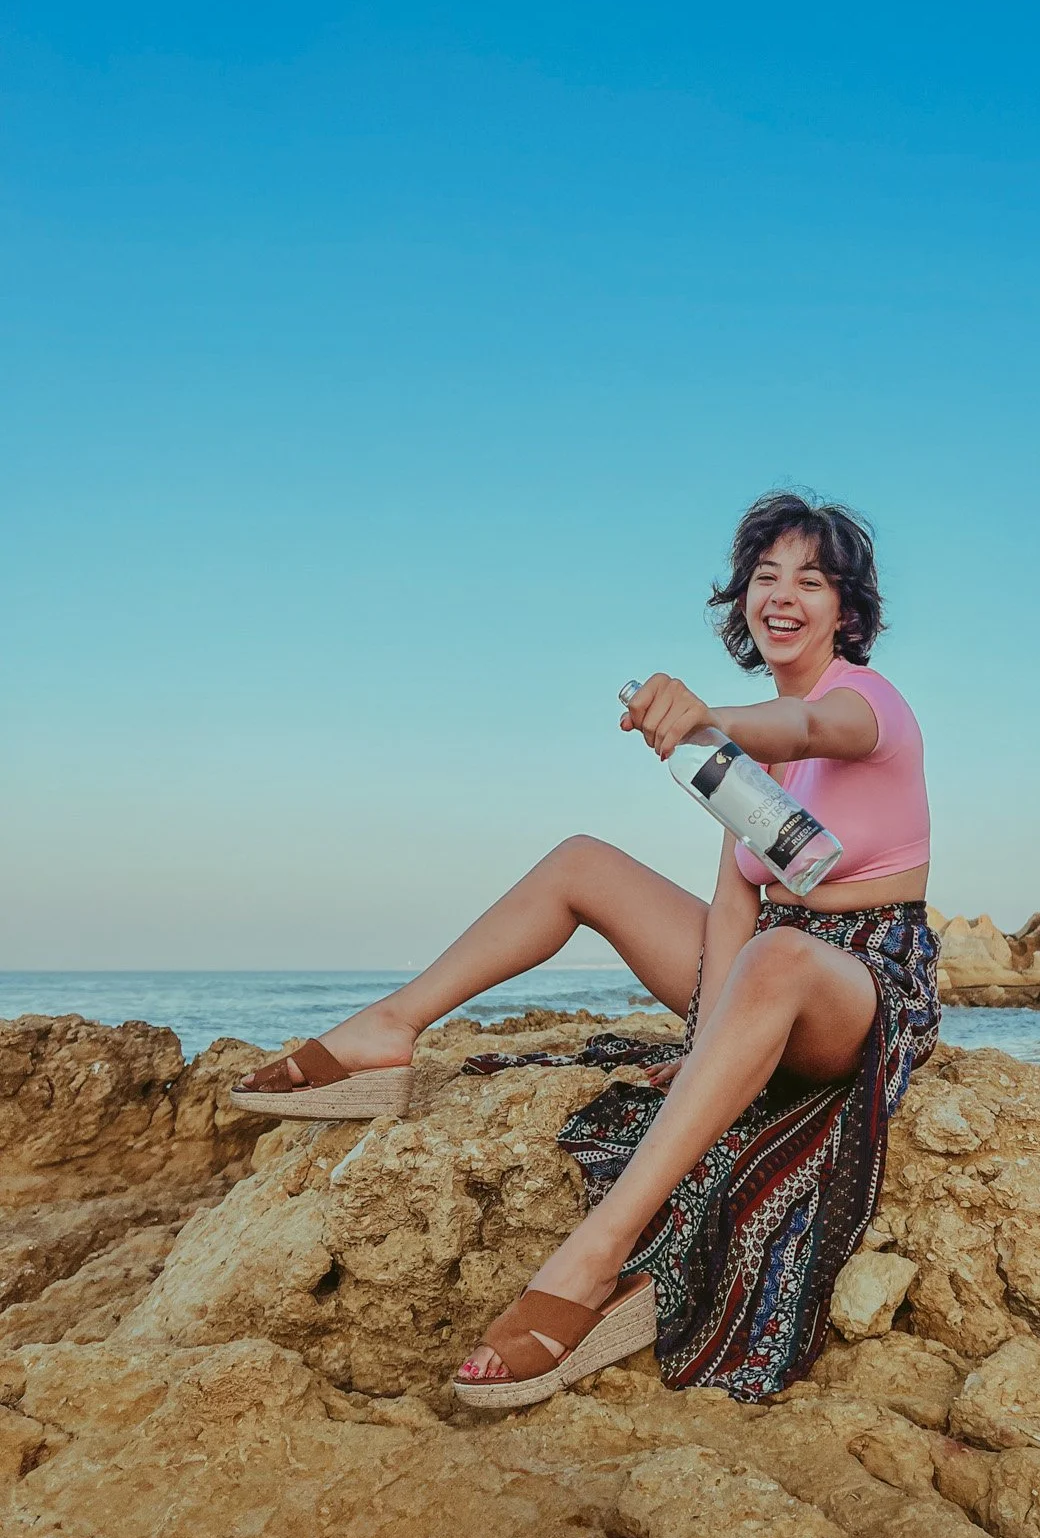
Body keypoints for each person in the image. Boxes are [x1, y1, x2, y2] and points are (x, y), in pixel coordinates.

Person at [230, 491, 938, 1408]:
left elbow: (812, 727)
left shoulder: (865, 704)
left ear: (847, 608)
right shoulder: (747, 765)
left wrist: (698, 717)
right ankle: (387, 1031)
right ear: (742, 599)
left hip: (864, 979)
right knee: (585, 865)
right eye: (766, 576)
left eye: (812, 579)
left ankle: (595, 1258)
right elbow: (734, 906)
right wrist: (701, 1045)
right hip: (772, 968)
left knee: (782, 954)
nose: (783, 595)